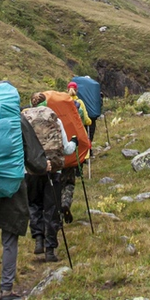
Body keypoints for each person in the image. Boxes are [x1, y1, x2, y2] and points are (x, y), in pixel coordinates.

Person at [0, 103, 50, 300]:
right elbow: (30, 151)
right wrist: (43, 167)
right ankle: (7, 291)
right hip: (10, 182)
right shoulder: (16, 119)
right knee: (10, 233)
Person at [25, 92, 75, 263]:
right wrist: (75, 142)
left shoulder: (24, 120)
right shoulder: (55, 119)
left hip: (30, 171)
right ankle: (50, 250)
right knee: (51, 209)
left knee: (34, 205)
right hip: (53, 171)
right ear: (46, 104)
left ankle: (38, 239)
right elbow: (67, 149)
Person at [58, 85, 91, 224]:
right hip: (69, 153)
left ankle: (57, 214)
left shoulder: (50, 113)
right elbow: (84, 120)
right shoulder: (76, 104)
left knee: (55, 184)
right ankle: (66, 202)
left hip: (52, 157)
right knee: (69, 182)